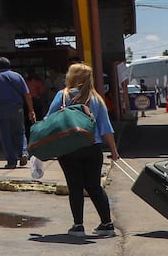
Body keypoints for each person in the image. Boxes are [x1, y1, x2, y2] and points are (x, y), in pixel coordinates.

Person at [45, 62, 120, 238]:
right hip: (92, 147)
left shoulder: (62, 96)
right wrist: (114, 151)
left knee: (75, 186)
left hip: (69, 148)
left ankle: (78, 226)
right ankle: (107, 224)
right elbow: (106, 128)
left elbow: (50, 120)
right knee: (94, 186)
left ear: (71, 77)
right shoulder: (97, 99)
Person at [0, 56, 36, 169]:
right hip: (17, 108)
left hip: (2, 109)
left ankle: (11, 161)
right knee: (20, 132)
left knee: (5, 135)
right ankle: (23, 153)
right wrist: (31, 110)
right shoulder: (18, 76)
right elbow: (27, 94)